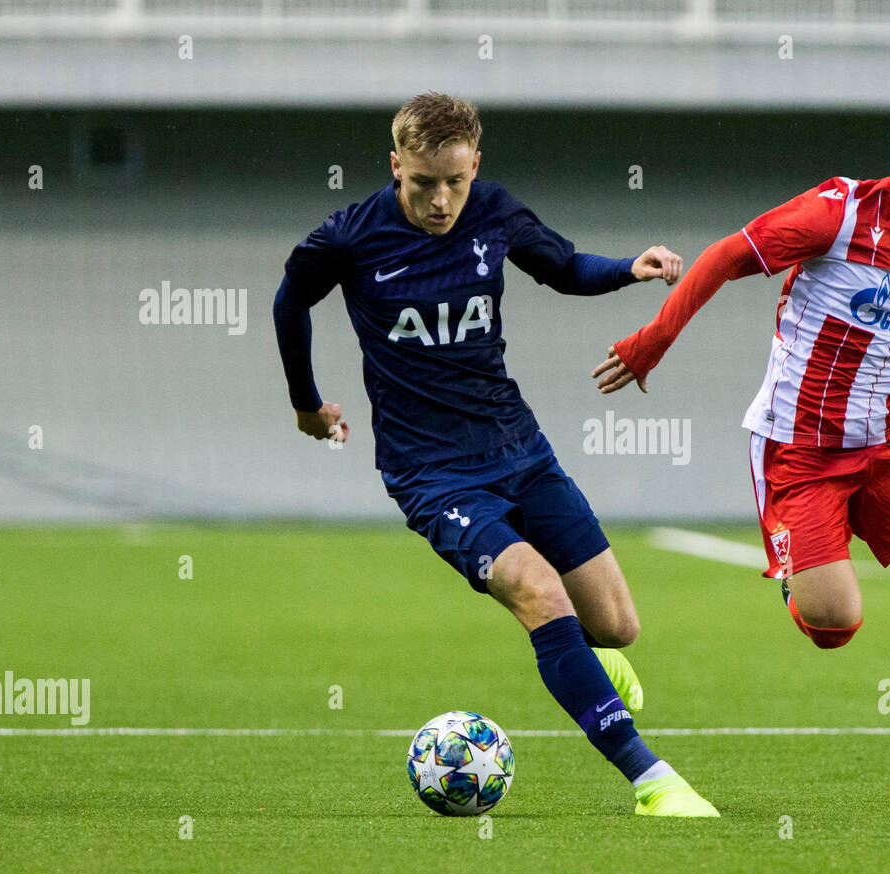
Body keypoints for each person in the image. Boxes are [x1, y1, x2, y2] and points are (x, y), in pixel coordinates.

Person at [593, 82, 890, 803]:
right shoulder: (838, 212)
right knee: (834, 626)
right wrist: (653, 341)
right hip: (798, 450)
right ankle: (791, 569)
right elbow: (721, 259)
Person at [273, 92, 717, 817]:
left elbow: (563, 266)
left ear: (475, 165)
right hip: (432, 471)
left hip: (519, 447)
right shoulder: (349, 237)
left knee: (617, 627)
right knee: (538, 592)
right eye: (422, 183)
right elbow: (290, 301)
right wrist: (305, 404)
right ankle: (651, 779)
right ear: (396, 167)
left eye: (455, 181)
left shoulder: (493, 210)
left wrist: (626, 269)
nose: (441, 200)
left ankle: (593, 662)